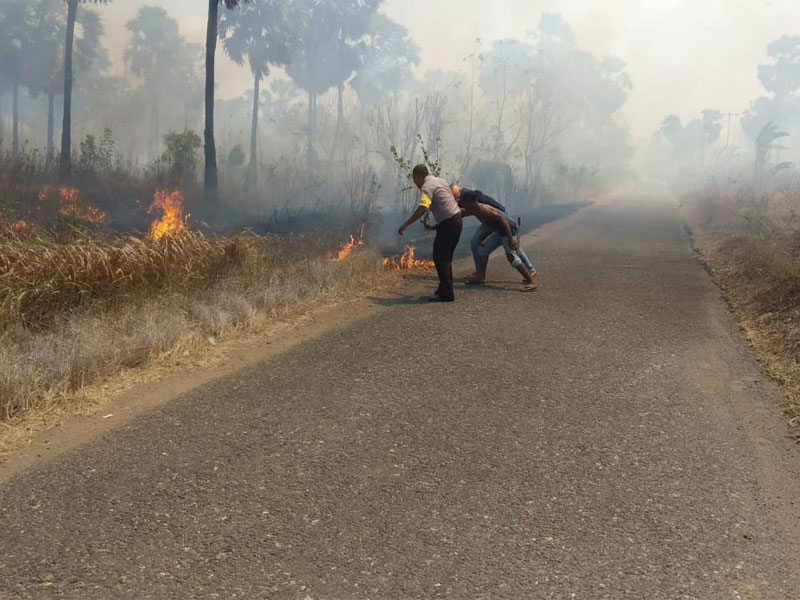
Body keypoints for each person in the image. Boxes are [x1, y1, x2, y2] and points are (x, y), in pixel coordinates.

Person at [398, 165, 463, 302]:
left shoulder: (427, 186)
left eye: (414, 180)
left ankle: (447, 294)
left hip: (449, 224)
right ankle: (444, 288)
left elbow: (423, 207)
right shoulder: (440, 181)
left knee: (440, 258)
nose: (415, 184)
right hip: (456, 221)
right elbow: (446, 203)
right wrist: (435, 226)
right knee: (446, 258)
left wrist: (406, 224)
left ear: (417, 177)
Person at [452, 186, 537, 283]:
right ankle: (480, 277)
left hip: (508, 231)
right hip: (498, 230)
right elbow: (460, 213)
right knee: (483, 251)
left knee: (511, 256)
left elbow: (503, 219)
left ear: (470, 203)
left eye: (463, 203)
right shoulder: (473, 209)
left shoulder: (485, 210)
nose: (462, 205)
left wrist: (510, 239)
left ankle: (530, 280)